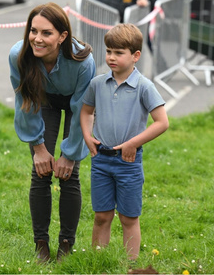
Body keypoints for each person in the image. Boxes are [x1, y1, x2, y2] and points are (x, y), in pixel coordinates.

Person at [8, 2, 96, 263]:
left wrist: (69, 155)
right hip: (42, 100)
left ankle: (66, 247)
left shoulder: (83, 61)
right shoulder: (18, 55)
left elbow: (84, 110)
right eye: (33, 31)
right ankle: (41, 246)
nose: (37, 38)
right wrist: (38, 147)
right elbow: (25, 103)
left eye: (46, 33)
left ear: (62, 36)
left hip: (75, 104)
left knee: (70, 174)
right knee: (41, 170)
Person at [80, 24, 169, 261]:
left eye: (119, 53)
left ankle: (131, 265)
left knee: (128, 218)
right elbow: (86, 112)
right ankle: (100, 261)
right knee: (101, 216)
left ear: (135, 56)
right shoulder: (98, 83)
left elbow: (161, 122)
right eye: (109, 51)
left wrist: (132, 143)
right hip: (101, 161)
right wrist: (88, 136)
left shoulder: (144, 86)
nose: (111, 57)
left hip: (128, 162)